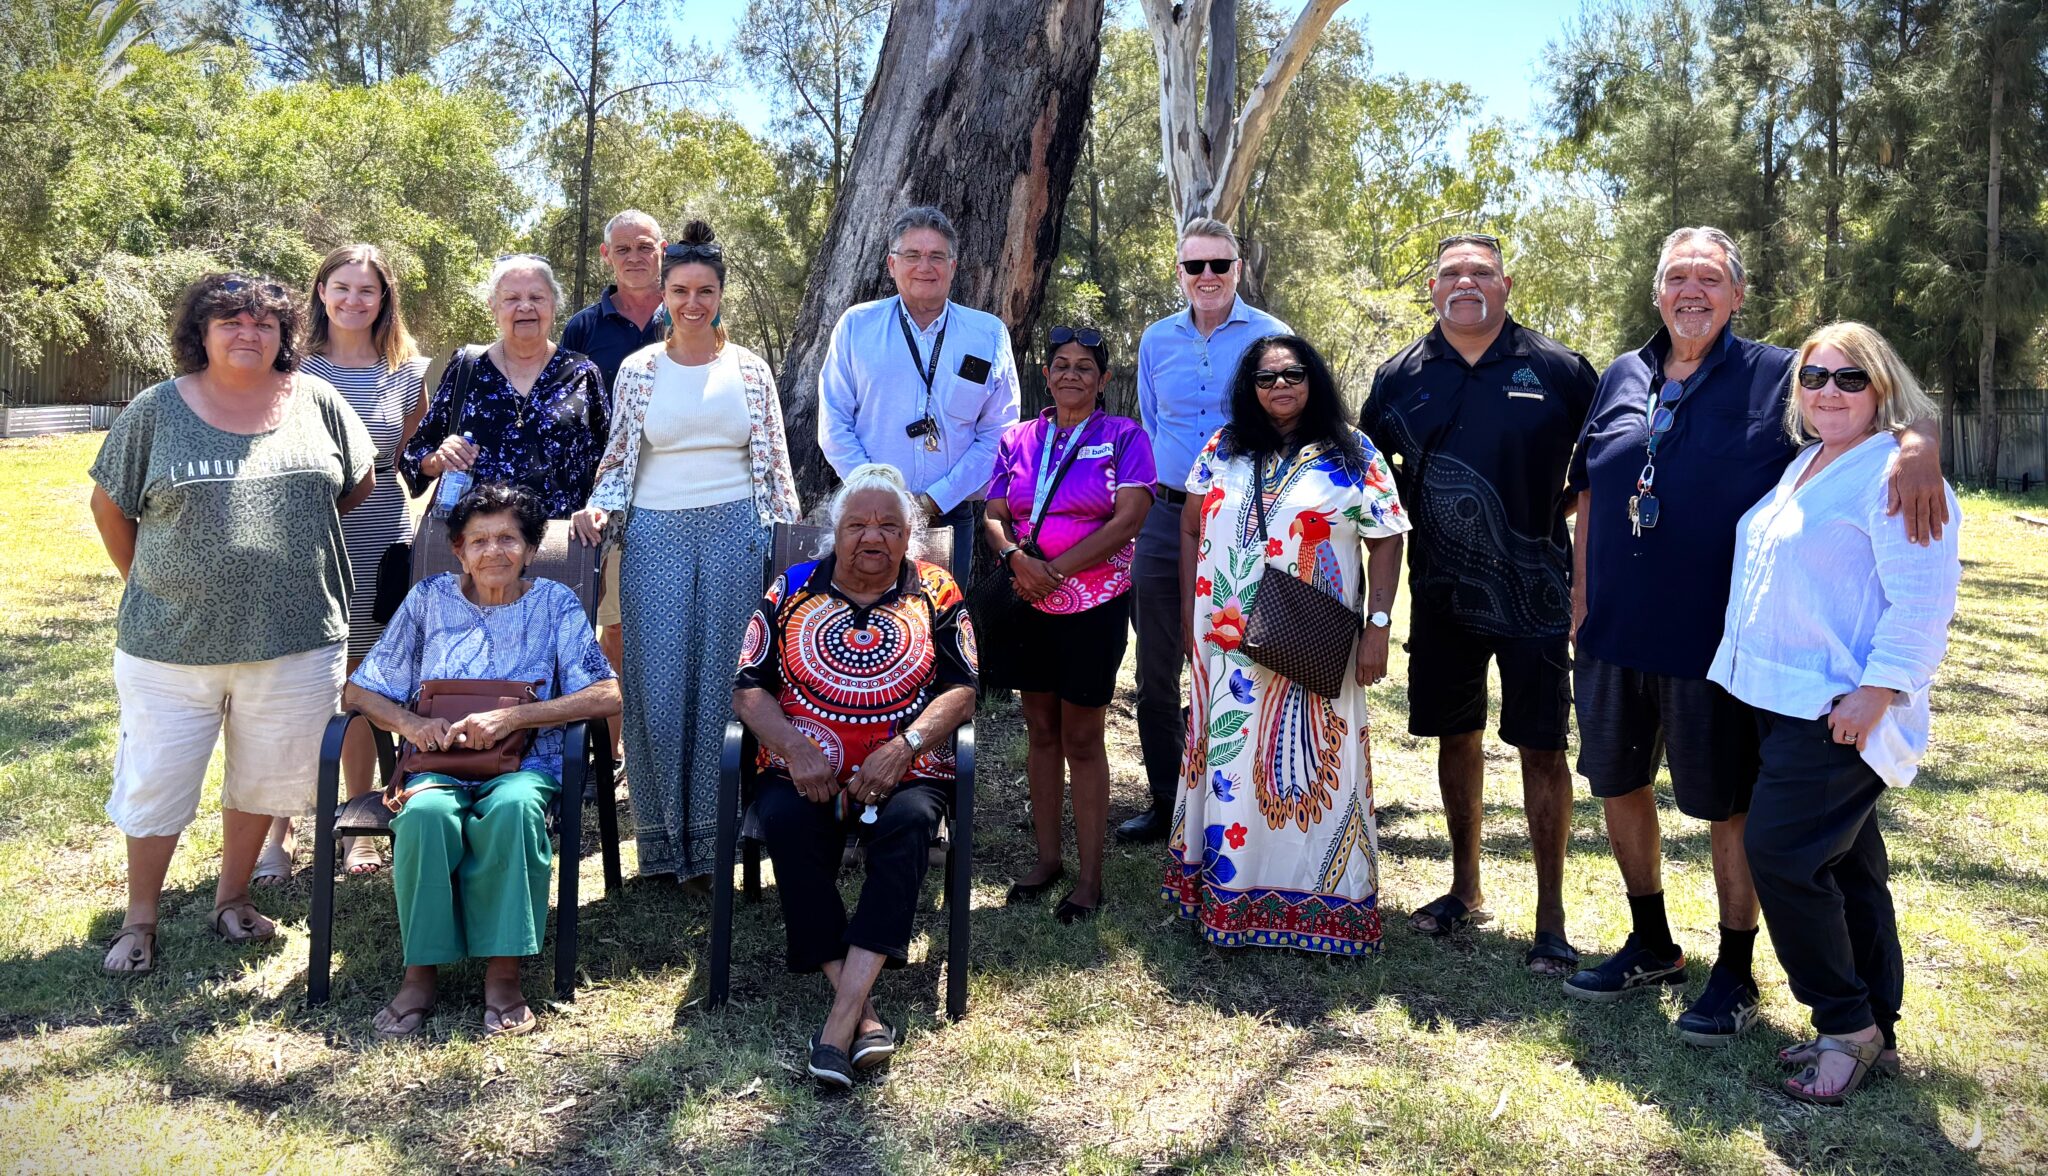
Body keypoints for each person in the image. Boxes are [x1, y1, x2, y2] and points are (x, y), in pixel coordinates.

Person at [1564, 227, 1948, 1046]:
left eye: (1710, 278)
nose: (1691, 291)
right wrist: (1582, 596)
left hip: (1718, 650)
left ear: (1738, 295)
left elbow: (1882, 398)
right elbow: (1591, 487)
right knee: (1618, 785)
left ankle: (1734, 973)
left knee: (1727, 807)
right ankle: (1651, 943)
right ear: (1657, 291)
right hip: (1612, 633)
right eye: (1677, 276)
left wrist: (1920, 445)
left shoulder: (1782, 374)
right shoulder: (1621, 374)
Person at [89, 273, 375, 976]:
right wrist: (159, 584)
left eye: (264, 323)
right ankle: (140, 919)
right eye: (231, 321)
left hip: (296, 638)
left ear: (284, 335)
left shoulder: (318, 401)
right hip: (171, 644)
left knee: (266, 777)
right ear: (202, 332)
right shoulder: (156, 409)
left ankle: (233, 899)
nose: (249, 333)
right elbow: (109, 507)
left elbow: (355, 484)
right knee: (157, 781)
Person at [1708, 322, 1959, 1103]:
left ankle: (1845, 1025)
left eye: (1851, 378)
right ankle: (1878, 1023)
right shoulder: (1808, 462)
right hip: (1778, 699)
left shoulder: (1898, 475)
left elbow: (1924, 599)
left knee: (1781, 854)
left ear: (1882, 388)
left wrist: (1878, 691)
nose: (1829, 391)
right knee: (1848, 865)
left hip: (1838, 708)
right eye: (1814, 377)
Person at [1358, 232, 1598, 974]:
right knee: (1455, 736)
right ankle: (1466, 887)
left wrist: (1581, 579)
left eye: (1482, 272)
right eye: (1452, 273)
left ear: (1506, 285)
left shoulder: (1558, 369)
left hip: (1538, 595)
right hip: (1440, 596)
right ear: (1433, 289)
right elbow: (1365, 488)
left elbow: (1598, 474)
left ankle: (1551, 917)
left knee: (1542, 747)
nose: (1467, 282)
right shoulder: (1399, 377)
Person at [732, 464, 977, 1088]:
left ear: (909, 538)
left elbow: (963, 690)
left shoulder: (937, 590)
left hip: (908, 767)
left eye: (889, 526)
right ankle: (862, 1014)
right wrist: (796, 748)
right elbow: (749, 690)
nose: (873, 536)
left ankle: (839, 1023)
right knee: (786, 821)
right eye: (858, 525)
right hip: (801, 768)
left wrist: (904, 747)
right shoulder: (791, 588)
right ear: (834, 534)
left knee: (911, 823)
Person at [572, 220, 802, 885]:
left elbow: (775, 469)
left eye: (705, 291)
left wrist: (784, 548)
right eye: (680, 291)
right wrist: (598, 507)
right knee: (658, 684)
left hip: (736, 536)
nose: (693, 303)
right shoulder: (639, 370)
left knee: (725, 685)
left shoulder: (750, 370)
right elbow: (619, 460)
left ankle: (719, 840)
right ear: (665, 294)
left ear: (721, 294)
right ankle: (666, 843)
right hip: (655, 538)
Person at [1163, 336, 1410, 957]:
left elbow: (1387, 538)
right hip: (1225, 646)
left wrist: (1378, 626)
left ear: (1313, 380)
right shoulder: (1222, 448)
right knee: (1229, 768)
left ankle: (1325, 905)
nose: (1280, 386)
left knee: (1323, 765)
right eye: (1266, 377)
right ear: (1249, 387)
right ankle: (1230, 897)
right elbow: (1190, 526)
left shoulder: (1354, 453)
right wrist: (1191, 612)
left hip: (1316, 643)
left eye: (1293, 374)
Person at [346, 483, 621, 1038]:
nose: (494, 551)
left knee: (514, 811)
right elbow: (360, 690)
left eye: (508, 539)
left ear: (530, 548)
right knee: (425, 817)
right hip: (436, 762)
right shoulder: (428, 598)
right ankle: (420, 973)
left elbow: (607, 693)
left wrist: (514, 718)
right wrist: (412, 725)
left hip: (527, 764)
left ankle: (503, 973)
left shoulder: (554, 603)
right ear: (459, 550)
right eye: (479, 540)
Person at [253, 243, 434, 886]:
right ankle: (277, 833)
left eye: (367, 290)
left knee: (364, 682)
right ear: (321, 292)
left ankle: (358, 825)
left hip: (380, 538)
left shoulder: (408, 372)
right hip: (300, 540)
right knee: (291, 684)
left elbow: (410, 465)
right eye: (342, 287)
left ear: (385, 300)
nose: (354, 300)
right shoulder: (289, 365)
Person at [1121, 216, 1289, 845]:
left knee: (1242, 658)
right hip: (1166, 517)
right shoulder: (1156, 340)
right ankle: (1168, 800)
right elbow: (1152, 419)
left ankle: (1236, 798)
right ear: (1180, 272)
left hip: (1245, 520)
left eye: (1220, 264)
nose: (1208, 276)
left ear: (1238, 269)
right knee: (1157, 666)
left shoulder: (1271, 336)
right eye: (1196, 266)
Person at [981, 326, 1155, 922]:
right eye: (1061, 364)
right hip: (1027, 600)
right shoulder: (1017, 438)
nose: (1071, 374)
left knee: (1082, 737)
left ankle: (1089, 878)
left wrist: (1052, 570)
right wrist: (1015, 559)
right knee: (1040, 730)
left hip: (1094, 605)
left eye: (1085, 366)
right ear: (1046, 375)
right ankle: (1047, 860)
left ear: (1103, 380)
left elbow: (1128, 520)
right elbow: (995, 513)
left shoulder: (1125, 437)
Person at [817, 206, 1019, 557]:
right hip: (869, 517)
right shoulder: (856, 327)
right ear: (891, 264)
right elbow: (834, 422)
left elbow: (1000, 432)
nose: (925, 267)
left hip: (949, 516)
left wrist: (937, 499)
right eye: (912, 255)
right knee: (871, 596)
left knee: (941, 596)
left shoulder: (987, 335)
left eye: (936, 256)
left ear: (952, 267)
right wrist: (879, 492)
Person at [399, 254, 609, 521]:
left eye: (537, 297)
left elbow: (609, 463)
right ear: (493, 307)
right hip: (476, 538)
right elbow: (413, 456)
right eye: (511, 299)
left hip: (558, 536)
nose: (525, 307)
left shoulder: (582, 373)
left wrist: (597, 510)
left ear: (554, 305)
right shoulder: (467, 366)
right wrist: (440, 459)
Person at [561, 209, 670, 702]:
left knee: (670, 619)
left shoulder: (690, 311)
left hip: (678, 490)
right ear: (606, 255)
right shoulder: (583, 328)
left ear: (662, 251)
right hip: (609, 499)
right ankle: (618, 730)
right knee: (616, 624)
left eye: (644, 247)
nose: (634, 257)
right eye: (622, 249)